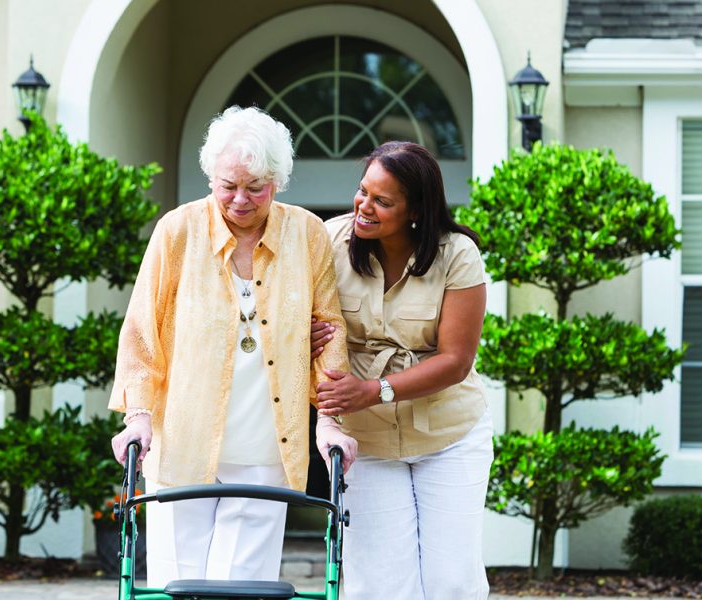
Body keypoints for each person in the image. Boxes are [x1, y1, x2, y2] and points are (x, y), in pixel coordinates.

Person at [107, 106, 353, 587]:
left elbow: (330, 329)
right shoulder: (177, 231)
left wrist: (329, 419)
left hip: (266, 449)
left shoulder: (305, 233)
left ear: (277, 181)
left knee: (242, 589)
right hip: (181, 441)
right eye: (228, 186)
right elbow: (141, 331)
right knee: (177, 586)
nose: (240, 199)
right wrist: (137, 415)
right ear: (211, 178)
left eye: (255, 187)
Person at [312, 141, 492, 599]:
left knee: (451, 581)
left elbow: (455, 360)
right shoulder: (330, 241)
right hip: (365, 440)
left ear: (416, 209)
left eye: (382, 201)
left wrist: (374, 390)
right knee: (379, 585)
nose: (363, 207)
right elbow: (294, 314)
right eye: (362, 191)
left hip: (449, 435)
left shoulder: (458, 254)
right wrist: (302, 337)